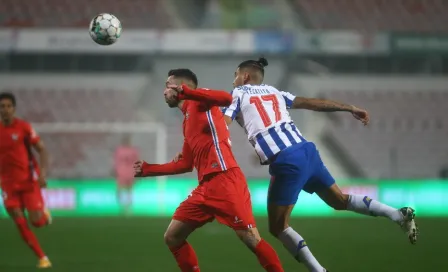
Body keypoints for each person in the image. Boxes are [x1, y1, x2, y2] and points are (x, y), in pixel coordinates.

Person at [216, 57, 418, 271]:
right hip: (307, 151)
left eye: (235, 75)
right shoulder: (276, 92)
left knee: (278, 227)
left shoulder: (236, 95)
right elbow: (313, 103)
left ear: (245, 76)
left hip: (286, 160)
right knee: (340, 200)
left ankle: (318, 270)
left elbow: (222, 125)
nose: (233, 81)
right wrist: (349, 107)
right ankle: (397, 214)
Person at [133, 69, 284, 272]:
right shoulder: (186, 122)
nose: (164, 91)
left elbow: (226, 98)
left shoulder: (200, 100)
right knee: (173, 236)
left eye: (168, 85)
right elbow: (185, 164)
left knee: (250, 238)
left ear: (181, 86)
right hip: (205, 188)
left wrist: (189, 93)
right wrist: (149, 169)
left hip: (225, 179)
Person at [0, 92, 52, 269]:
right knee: (20, 222)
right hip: (7, 186)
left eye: (8, 106)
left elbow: (42, 150)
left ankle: (44, 215)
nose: (5, 110)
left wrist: (43, 174)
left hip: (28, 181)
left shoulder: (23, 128)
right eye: (2, 107)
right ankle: (42, 257)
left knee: (37, 222)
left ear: (14, 109)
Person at [113, 134, 139, 215]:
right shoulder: (133, 150)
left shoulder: (119, 150)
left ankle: (124, 207)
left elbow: (116, 161)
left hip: (123, 171)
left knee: (123, 190)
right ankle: (126, 207)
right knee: (127, 190)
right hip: (129, 171)